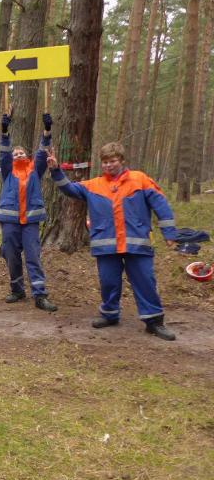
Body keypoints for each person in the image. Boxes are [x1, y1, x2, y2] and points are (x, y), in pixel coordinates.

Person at [47, 142, 177, 341]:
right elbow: (69, 189)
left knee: (145, 281)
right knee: (108, 282)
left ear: (122, 160)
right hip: (106, 245)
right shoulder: (94, 185)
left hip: (136, 243)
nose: (108, 165)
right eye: (105, 162)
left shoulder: (140, 180)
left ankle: (154, 321)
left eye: (113, 161)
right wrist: (56, 170)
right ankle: (109, 314)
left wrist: (169, 233)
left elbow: (161, 205)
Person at [0, 110, 58, 312]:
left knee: (33, 257)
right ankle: (17, 290)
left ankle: (40, 295)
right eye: (15, 154)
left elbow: (42, 151)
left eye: (21, 153)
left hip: (30, 222)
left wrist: (47, 130)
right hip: (10, 221)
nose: (18, 155)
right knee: (11, 256)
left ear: (27, 156)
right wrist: (5, 130)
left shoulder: (35, 170)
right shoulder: (7, 170)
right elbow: (4, 153)